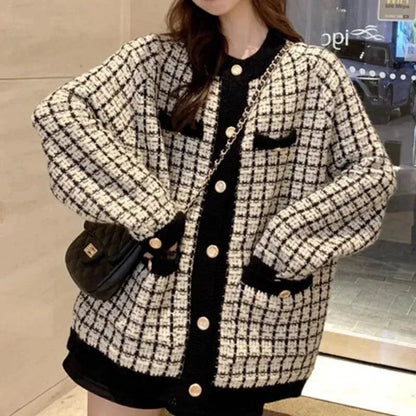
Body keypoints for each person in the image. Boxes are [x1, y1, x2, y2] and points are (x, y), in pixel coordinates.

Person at [30, 0, 398, 415]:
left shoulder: (314, 75)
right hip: (134, 323)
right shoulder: (154, 59)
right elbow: (62, 114)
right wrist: (147, 210)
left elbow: (370, 174)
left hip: (244, 338)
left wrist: (284, 246)